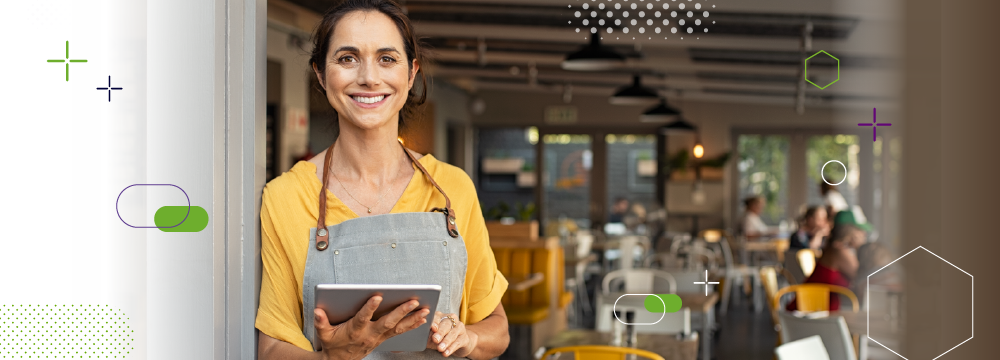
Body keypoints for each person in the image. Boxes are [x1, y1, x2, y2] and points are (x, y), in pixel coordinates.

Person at [255, 2, 509, 359]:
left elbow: (496, 329)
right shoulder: (286, 196)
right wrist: (331, 357)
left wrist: (468, 338)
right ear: (320, 74)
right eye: (347, 58)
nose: (369, 78)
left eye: (387, 59)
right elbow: (271, 349)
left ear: (410, 74)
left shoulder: (453, 188)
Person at [787, 215, 868, 311]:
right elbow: (863, 276)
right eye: (860, 230)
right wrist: (861, 247)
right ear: (850, 231)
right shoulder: (839, 251)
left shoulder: (833, 248)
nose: (864, 234)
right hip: (809, 313)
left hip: (814, 310)